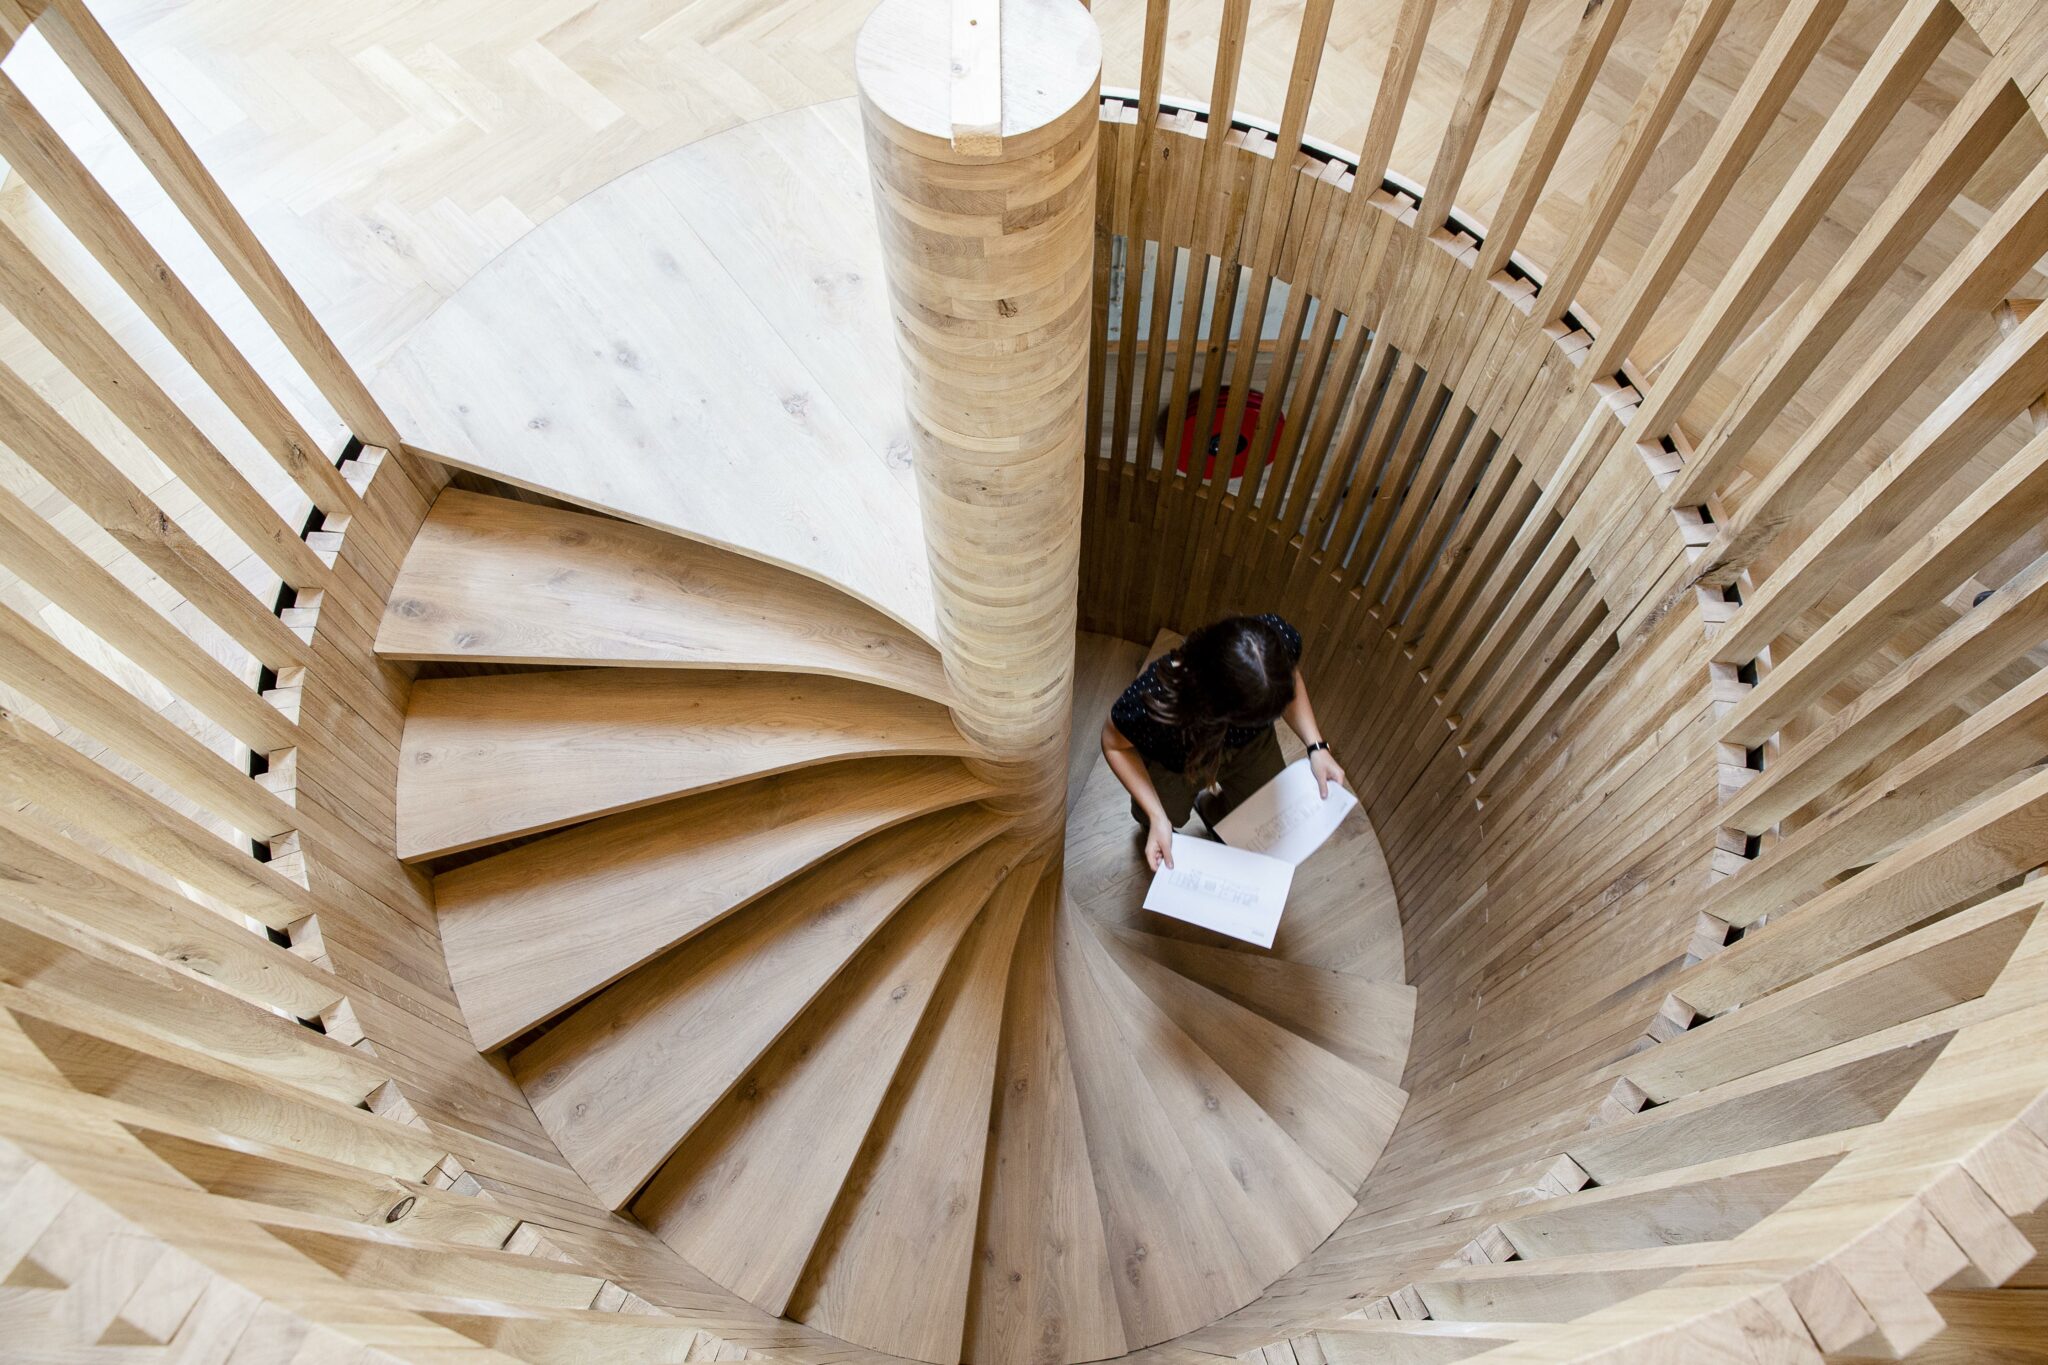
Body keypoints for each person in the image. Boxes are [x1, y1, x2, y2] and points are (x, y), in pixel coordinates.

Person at [1100, 613, 1347, 871]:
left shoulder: (1273, 641)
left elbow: (1290, 676)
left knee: (1267, 816)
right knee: (1160, 814)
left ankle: (1215, 809)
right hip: (1178, 760)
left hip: (1251, 746)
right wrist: (1156, 815)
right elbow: (1113, 743)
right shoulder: (1155, 699)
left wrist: (1316, 746)